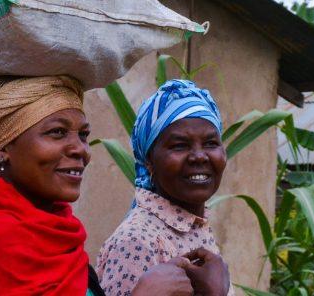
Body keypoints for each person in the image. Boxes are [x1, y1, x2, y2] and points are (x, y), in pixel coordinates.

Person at [0, 76, 195, 296]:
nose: (81, 150)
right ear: (3, 147)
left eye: (83, 135)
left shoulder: (57, 235)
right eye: (57, 132)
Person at [97, 79, 233, 296]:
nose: (199, 156)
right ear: (149, 161)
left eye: (210, 143)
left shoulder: (193, 226)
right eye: (179, 145)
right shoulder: (138, 241)